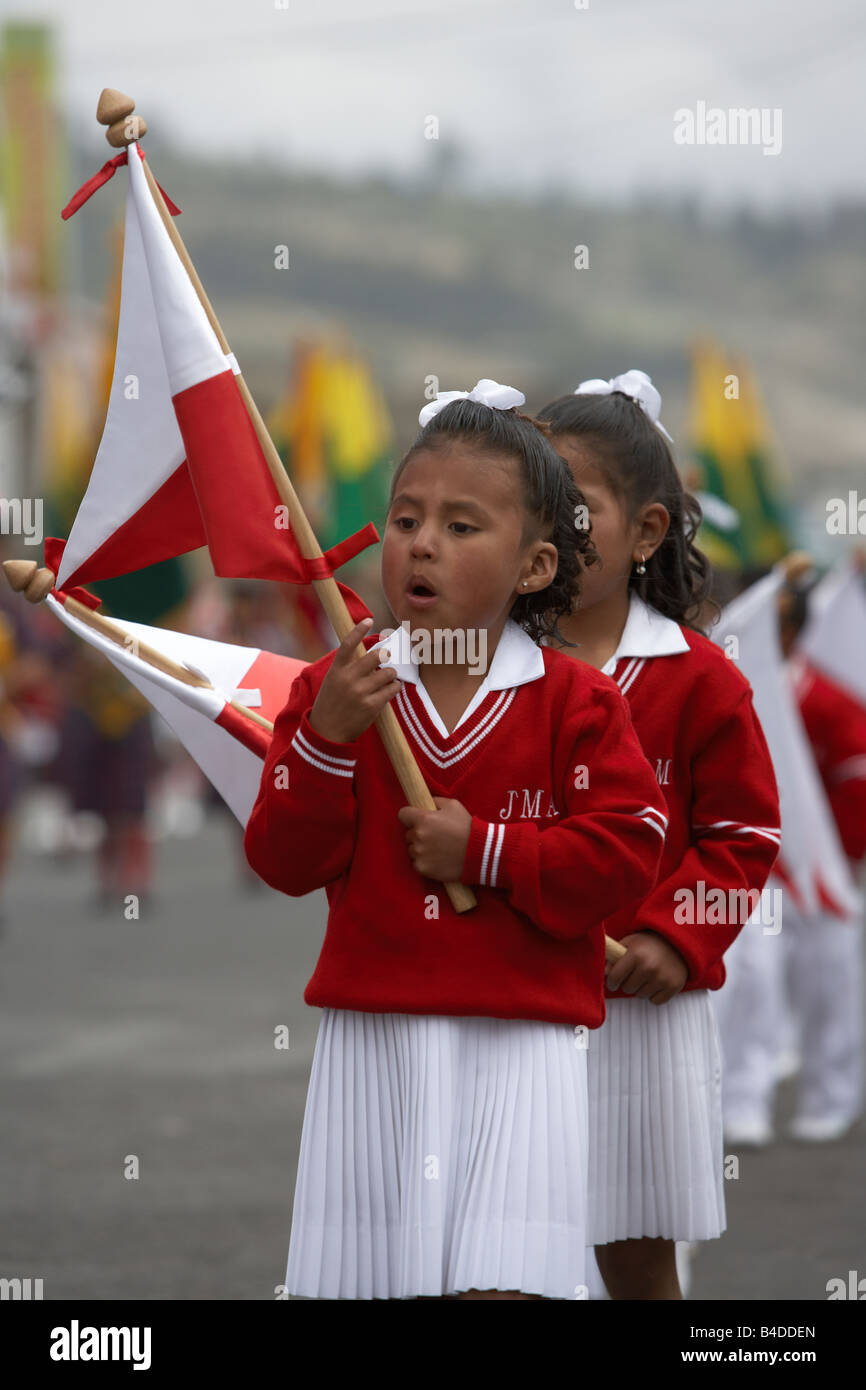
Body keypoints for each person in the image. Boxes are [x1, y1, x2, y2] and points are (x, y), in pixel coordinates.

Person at [244, 380, 669, 1300]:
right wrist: (325, 737)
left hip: (523, 1048)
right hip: (374, 1047)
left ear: (534, 566)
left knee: (501, 1291)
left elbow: (624, 854)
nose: (423, 544)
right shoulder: (339, 685)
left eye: (463, 527)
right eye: (405, 520)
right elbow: (281, 860)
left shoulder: (577, 703)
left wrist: (488, 852)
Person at [536, 370, 781, 1300]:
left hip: (642, 1021)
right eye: (533, 504)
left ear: (646, 530)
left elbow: (744, 836)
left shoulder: (700, 678)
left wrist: (673, 940)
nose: (552, 526)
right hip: (512, 1004)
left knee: (636, 1258)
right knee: (506, 1243)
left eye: (577, 505)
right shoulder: (486, 666)